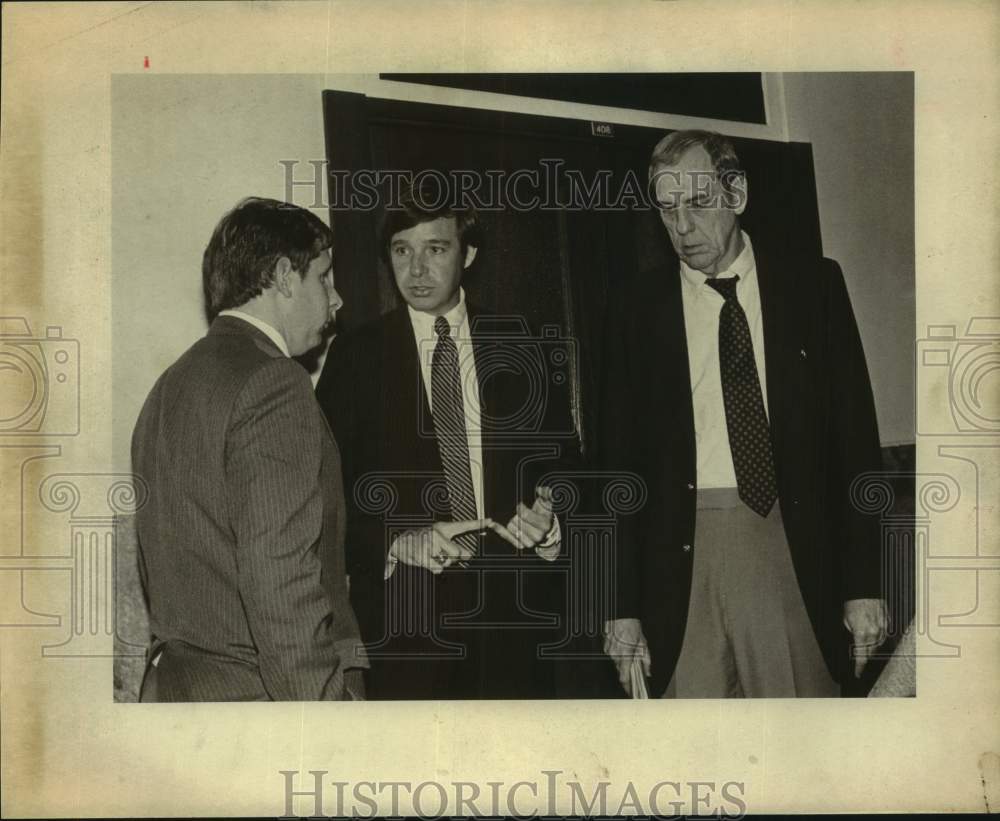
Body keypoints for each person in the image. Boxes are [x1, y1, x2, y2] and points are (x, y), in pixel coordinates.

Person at [600, 130, 888, 698]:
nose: (681, 227)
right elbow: (615, 465)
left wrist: (863, 584)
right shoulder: (635, 310)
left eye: (698, 203)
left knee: (800, 746)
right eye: (667, 208)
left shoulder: (814, 287)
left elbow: (854, 443)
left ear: (737, 194)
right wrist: (619, 605)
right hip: (678, 560)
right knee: (699, 758)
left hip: (791, 543)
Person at [316, 181, 579, 699]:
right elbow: (323, 494)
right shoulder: (354, 359)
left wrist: (551, 523)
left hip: (515, 617)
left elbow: (566, 466)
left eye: (435, 250)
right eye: (401, 251)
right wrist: (394, 540)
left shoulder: (518, 343)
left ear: (469, 254)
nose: (415, 271)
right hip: (406, 622)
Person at [132, 197, 365, 701]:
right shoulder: (275, 383)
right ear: (284, 276)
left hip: (181, 694)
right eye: (324, 277)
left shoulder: (168, 386)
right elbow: (281, 584)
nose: (337, 298)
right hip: (261, 703)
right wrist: (325, 729)